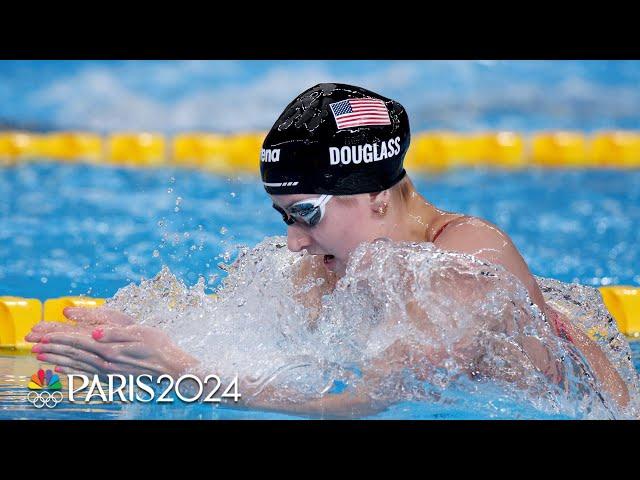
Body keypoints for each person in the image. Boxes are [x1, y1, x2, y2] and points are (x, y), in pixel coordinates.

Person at [25, 83, 630, 416]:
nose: (294, 242)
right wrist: (144, 340)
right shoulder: (338, 259)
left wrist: (184, 373)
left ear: (370, 194)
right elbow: (276, 356)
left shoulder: (458, 270)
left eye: (306, 215)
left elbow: (358, 406)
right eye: (284, 217)